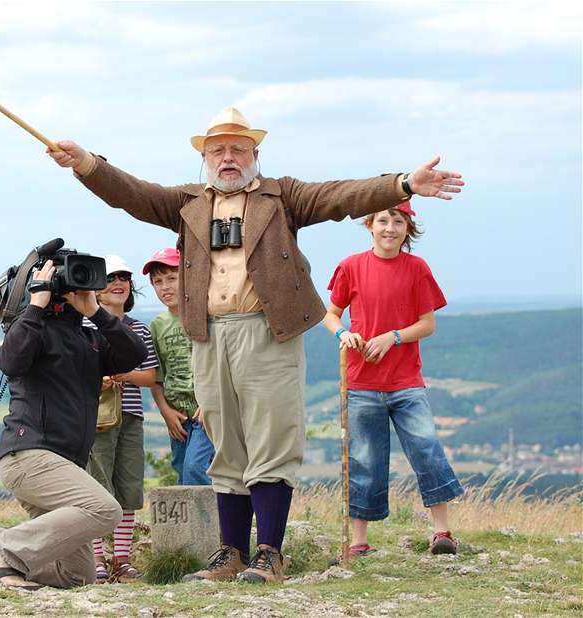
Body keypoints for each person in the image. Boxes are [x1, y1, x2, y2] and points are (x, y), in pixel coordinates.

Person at [48, 107, 464, 583]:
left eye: (238, 149)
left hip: (268, 332)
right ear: (205, 157)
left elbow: (341, 196)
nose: (228, 158)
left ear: (255, 154)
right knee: (226, 444)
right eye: (218, 150)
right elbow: (132, 194)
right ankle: (230, 554)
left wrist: (404, 183)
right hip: (207, 334)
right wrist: (86, 164)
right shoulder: (187, 202)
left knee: (271, 439)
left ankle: (269, 553)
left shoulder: (282, 196)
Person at [0, 259, 148, 589]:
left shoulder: (88, 338)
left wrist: (95, 312)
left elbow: (134, 353)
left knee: (77, 575)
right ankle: (2, 550)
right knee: (107, 509)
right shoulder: (33, 329)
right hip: (30, 457)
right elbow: (10, 360)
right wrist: (36, 304)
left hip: (64, 466)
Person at [323, 202, 464, 561]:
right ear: (369, 224)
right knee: (365, 460)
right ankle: (359, 542)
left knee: (427, 449)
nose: (390, 228)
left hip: (406, 381)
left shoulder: (417, 268)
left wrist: (393, 337)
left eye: (397, 221)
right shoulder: (351, 266)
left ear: (407, 227)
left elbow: (427, 324)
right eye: (383, 221)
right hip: (361, 382)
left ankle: (442, 533)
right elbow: (331, 315)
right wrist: (343, 334)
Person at [84, 255, 159, 583]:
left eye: (124, 277)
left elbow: (151, 376)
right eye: (111, 278)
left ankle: (122, 559)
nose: (118, 283)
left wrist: (122, 373)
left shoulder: (139, 328)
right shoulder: (83, 326)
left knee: (128, 488)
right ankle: (97, 558)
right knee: (98, 488)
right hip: (97, 417)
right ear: (96, 291)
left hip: (130, 415)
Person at [144, 247, 214, 485]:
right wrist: (165, 412)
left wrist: (211, 403)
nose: (165, 287)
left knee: (197, 469)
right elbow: (156, 375)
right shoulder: (158, 325)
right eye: (158, 282)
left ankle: (215, 522)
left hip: (207, 411)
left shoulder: (205, 315)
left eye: (172, 279)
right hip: (178, 416)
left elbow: (219, 364)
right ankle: (196, 523)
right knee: (183, 472)